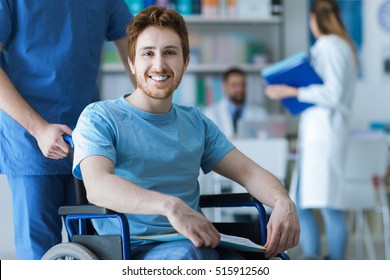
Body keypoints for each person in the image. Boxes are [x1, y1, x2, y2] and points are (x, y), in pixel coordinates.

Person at [72, 5, 300, 260]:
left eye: (170, 52)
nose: (159, 65)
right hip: (131, 248)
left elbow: (248, 172)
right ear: (132, 63)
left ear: (185, 62)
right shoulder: (100, 117)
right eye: (148, 53)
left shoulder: (195, 122)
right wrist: (169, 206)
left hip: (198, 243)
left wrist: (283, 202)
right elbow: (98, 186)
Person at [0, 0, 135, 260]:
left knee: (98, 249)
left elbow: (136, 48)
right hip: (29, 140)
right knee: (39, 256)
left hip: (90, 141)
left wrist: (147, 110)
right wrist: (39, 129)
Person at [264, 0, 359, 260]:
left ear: (315, 19)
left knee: (328, 206)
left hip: (324, 138)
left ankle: (333, 264)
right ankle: (314, 259)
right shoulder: (340, 47)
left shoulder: (330, 46)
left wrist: (290, 90)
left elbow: (333, 93)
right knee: (303, 204)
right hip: (321, 136)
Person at [203, 67, 268, 139]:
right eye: (234, 85)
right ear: (224, 86)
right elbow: (208, 142)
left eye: (243, 85)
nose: (239, 89)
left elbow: (264, 138)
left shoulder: (259, 113)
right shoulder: (210, 113)